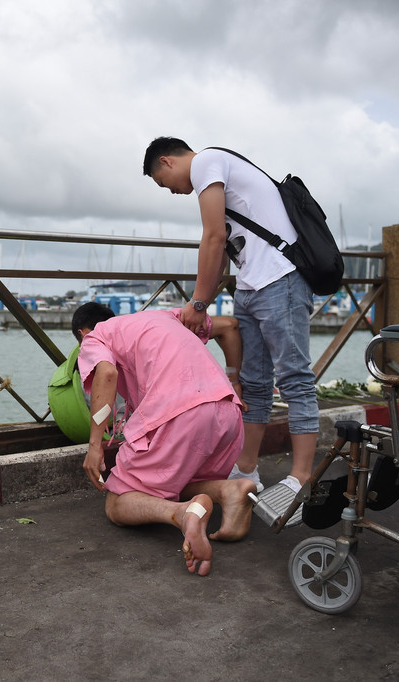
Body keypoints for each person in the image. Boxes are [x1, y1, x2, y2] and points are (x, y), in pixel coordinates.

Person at [142, 137, 319, 525]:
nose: (171, 192)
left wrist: (199, 304)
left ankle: (301, 479)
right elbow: (222, 246)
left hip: (281, 280)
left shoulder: (207, 162)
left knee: (294, 378)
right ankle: (246, 469)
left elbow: (213, 238)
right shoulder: (212, 171)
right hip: (251, 286)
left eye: (163, 183)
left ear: (168, 162)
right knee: (255, 383)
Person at [72, 302, 256, 576]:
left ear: (81, 333)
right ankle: (229, 491)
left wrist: (95, 446)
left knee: (117, 502)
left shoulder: (95, 337)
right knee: (174, 478)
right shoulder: (166, 315)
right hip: (227, 411)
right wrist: (234, 378)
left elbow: (107, 373)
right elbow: (230, 326)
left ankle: (184, 514)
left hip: (180, 415)